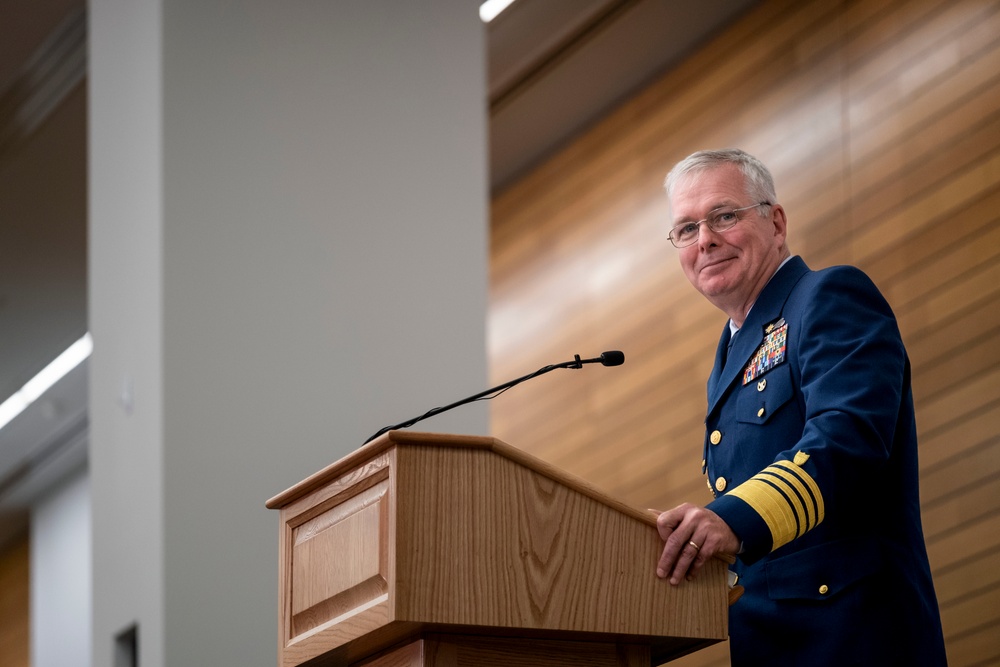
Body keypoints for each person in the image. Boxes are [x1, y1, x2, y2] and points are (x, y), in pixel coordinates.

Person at [654, 149, 947, 665]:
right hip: (770, 644)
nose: (705, 240)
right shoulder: (729, 357)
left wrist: (731, 520)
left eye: (724, 215)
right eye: (686, 228)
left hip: (854, 636)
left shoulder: (828, 296)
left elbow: (848, 439)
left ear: (777, 221)